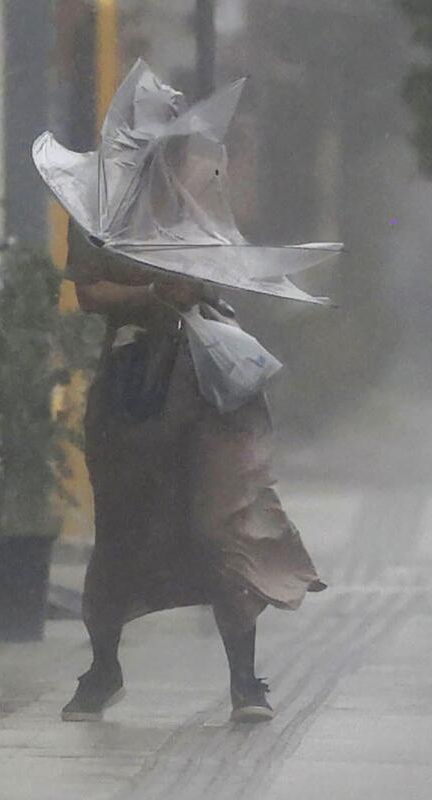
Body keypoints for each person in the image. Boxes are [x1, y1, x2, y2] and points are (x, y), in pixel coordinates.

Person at [59, 221, 326, 724]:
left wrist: (198, 282)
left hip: (212, 377)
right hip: (136, 380)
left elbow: (232, 264)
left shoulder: (196, 183)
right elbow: (90, 293)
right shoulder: (96, 206)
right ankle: (103, 669)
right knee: (121, 527)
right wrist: (154, 292)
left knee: (223, 519)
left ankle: (244, 680)